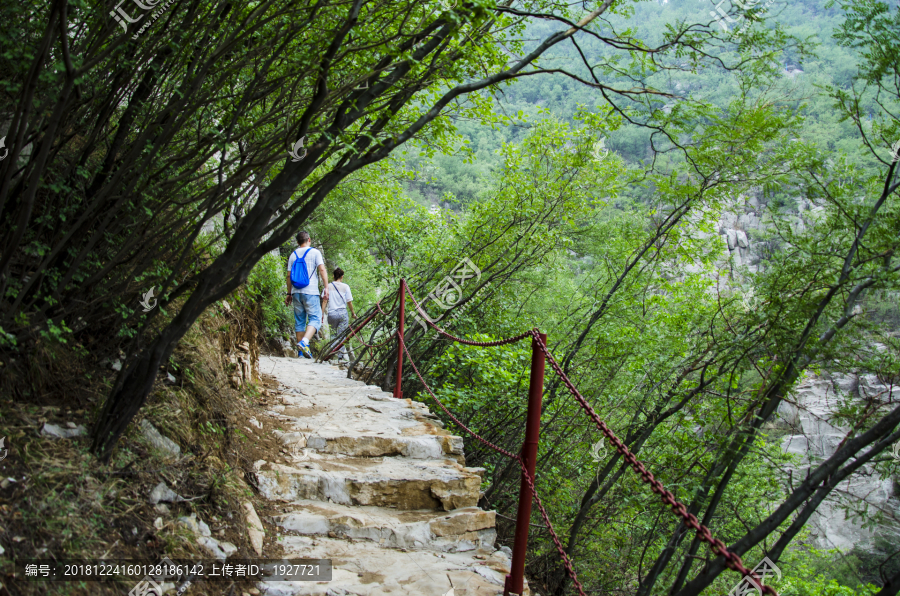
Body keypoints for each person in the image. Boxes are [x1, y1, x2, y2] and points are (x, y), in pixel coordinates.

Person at [284, 231, 329, 358]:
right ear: (309, 239)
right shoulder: (315, 252)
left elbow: (288, 276)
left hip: (296, 292)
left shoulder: (293, 255)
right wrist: (326, 287)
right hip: (310, 292)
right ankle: (304, 342)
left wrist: (289, 293)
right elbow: (322, 269)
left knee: (300, 321)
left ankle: (301, 354)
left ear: (297, 242)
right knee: (316, 318)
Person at [323, 268, 356, 362]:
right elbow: (349, 302)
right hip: (342, 313)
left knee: (333, 334)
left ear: (333, 276)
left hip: (332, 313)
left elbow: (325, 300)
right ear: (342, 276)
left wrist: (321, 314)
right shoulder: (346, 287)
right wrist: (353, 313)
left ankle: (331, 354)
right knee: (342, 335)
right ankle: (340, 357)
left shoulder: (328, 286)